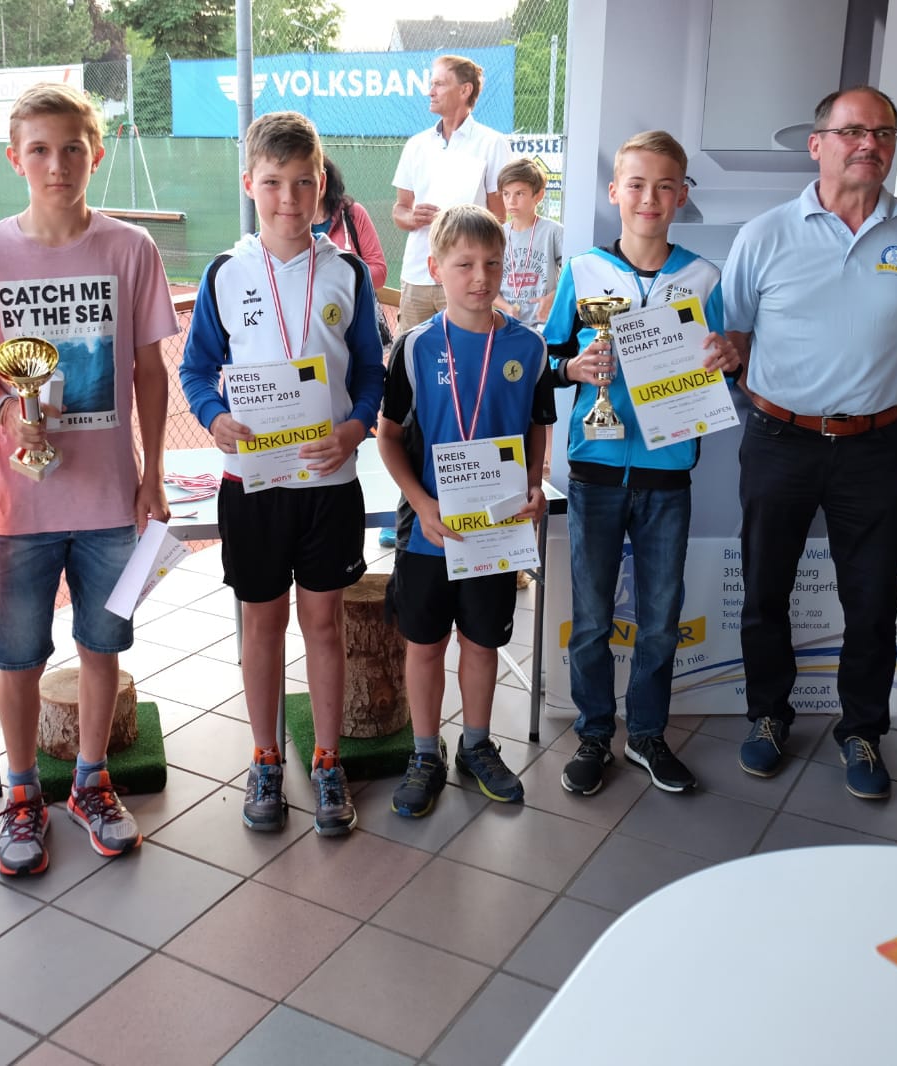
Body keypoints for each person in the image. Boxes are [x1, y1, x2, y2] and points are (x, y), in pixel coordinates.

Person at [0, 83, 177, 874]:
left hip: (111, 498)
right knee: (17, 656)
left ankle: (90, 782)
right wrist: (8, 413)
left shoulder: (129, 249)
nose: (57, 164)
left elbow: (150, 369)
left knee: (101, 644)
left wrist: (151, 473)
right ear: (15, 159)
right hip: (23, 504)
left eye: (72, 148)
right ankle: (21, 794)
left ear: (95, 155)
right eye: (39, 150)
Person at [721, 86, 897, 801]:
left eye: (883, 133)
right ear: (817, 143)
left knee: (873, 597)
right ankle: (768, 716)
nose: (869, 144)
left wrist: (862, 388)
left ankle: (862, 730)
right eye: (853, 131)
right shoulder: (765, 234)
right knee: (765, 589)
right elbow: (735, 337)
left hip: (874, 445)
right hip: (777, 438)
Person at [179, 111, 384, 835]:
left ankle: (327, 760)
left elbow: (371, 372)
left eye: (302, 183)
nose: (288, 199)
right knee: (261, 624)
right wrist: (214, 417)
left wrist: (356, 427)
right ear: (249, 184)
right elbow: (196, 368)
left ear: (321, 183)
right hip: (254, 484)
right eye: (273, 183)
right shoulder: (225, 273)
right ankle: (264, 757)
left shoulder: (347, 273)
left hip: (328, 484)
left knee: (323, 623)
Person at [543, 131, 737, 797]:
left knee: (659, 618)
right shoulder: (582, 271)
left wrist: (726, 362)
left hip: (667, 475)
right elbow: (549, 357)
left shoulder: (704, 278)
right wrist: (572, 367)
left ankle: (647, 734)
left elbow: (722, 369)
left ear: (681, 196)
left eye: (664, 186)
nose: (649, 198)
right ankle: (595, 733)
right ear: (614, 192)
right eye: (636, 184)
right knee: (592, 619)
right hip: (595, 470)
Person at [378, 203, 555, 816]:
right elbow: (388, 437)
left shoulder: (530, 348)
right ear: (435, 268)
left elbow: (537, 426)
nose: (480, 277)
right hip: (430, 531)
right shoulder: (415, 347)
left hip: (497, 529)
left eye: (492, 264)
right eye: (464, 264)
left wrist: (533, 484)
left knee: (481, 642)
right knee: (425, 644)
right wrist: (420, 501)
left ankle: (476, 744)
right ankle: (425, 753)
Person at [391, 55, 512, 332]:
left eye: (439, 84)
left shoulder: (492, 143)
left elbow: (500, 216)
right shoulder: (416, 145)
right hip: (416, 277)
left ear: (465, 89)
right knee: (409, 353)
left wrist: (461, 229)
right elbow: (399, 210)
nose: (430, 91)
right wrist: (411, 217)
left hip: (465, 280)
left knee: (464, 353)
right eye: (431, 84)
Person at [495, 158, 563, 329]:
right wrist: (506, 308)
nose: (511, 201)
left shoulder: (553, 232)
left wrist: (553, 297)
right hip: (508, 324)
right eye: (506, 194)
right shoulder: (497, 235)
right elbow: (488, 285)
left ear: (539, 195)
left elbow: (572, 277)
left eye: (520, 193)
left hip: (545, 324)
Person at [316, 156, 388, 290]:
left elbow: (379, 272)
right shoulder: (287, 222)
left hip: (350, 301)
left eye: (305, 181)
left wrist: (343, 277)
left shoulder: (353, 213)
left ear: (323, 181)